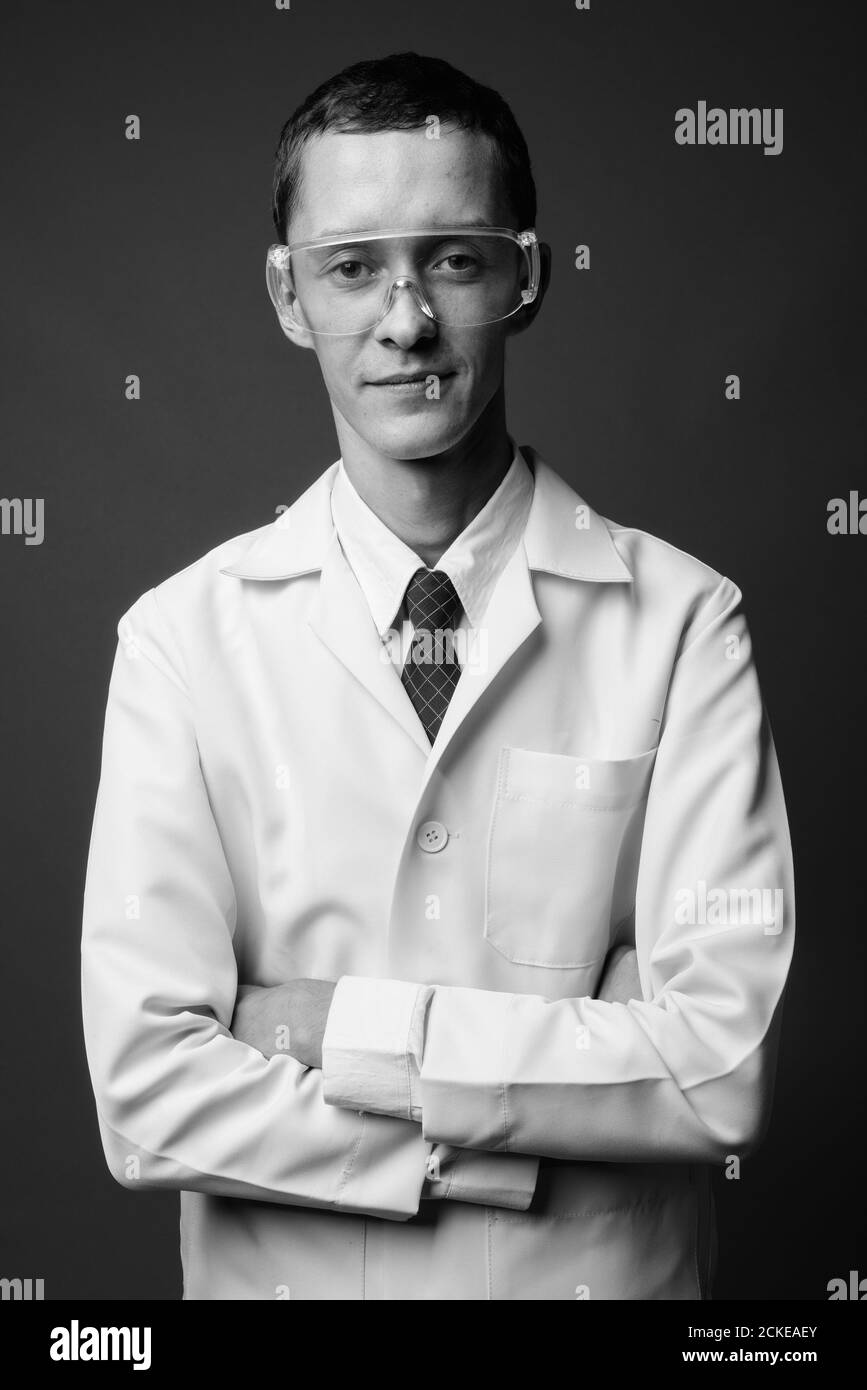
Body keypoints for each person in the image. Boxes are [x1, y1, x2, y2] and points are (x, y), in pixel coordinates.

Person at [80, 51, 794, 1301]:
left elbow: (719, 1068)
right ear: (288, 295)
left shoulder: (684, 624)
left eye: (453, 259)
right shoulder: (182, 639)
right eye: (353, 267)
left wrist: (313, 1031)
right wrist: (552, 1090)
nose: (405, 320)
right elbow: (147, 1096)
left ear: (529, 277)